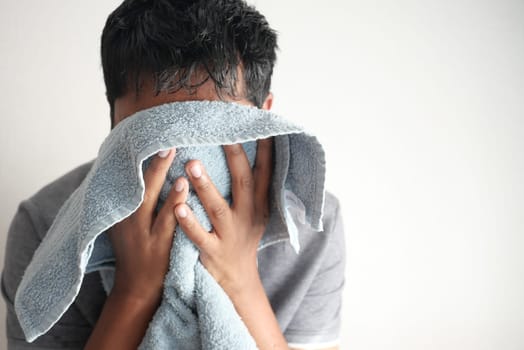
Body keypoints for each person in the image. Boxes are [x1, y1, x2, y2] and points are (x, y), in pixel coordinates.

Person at [2, 0, 346, 349]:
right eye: (158, 137)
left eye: (216, 134)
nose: (188, 164)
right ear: (115, 124)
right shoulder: (46, 226)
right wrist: (134, 290)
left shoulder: (314, 224)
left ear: (265, 120)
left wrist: (241, 281)